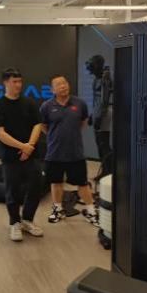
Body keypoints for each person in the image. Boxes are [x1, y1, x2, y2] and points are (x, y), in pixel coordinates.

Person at [0, 67, 44, 241]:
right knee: (12, 191)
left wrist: (30, 146)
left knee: (35, 187)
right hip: (10, 157)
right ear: (5, 83)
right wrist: (23, 146)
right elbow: (0, 133)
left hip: (31, 155)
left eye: (20, 81)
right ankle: (15, 223)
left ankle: (27, 220)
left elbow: (37, 125)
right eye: (14, 81)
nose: (18, 85)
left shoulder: (29, 103)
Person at [40, 75, 97, 225]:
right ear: (52, 90)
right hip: (54, 153)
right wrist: (55, 136)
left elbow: (83, 122)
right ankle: (58, 210)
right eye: (59, 84)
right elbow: (43, 126)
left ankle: (91, 212)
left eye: (65, 83)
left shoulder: (80, 103)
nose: (63, 86)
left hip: (75, 153)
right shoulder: (46, 106)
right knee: (56, 182)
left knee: (82, 183)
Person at [85, 55, 113, 179]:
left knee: (103, 142)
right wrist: (93, 115)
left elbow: (104, 100)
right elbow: (97, 100)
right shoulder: (97, 78)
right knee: (99, 142)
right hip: (98, 112)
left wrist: (99, 116)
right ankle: (106, 170)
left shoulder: (105, 78)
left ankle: (108, 171)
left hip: (104, 113)